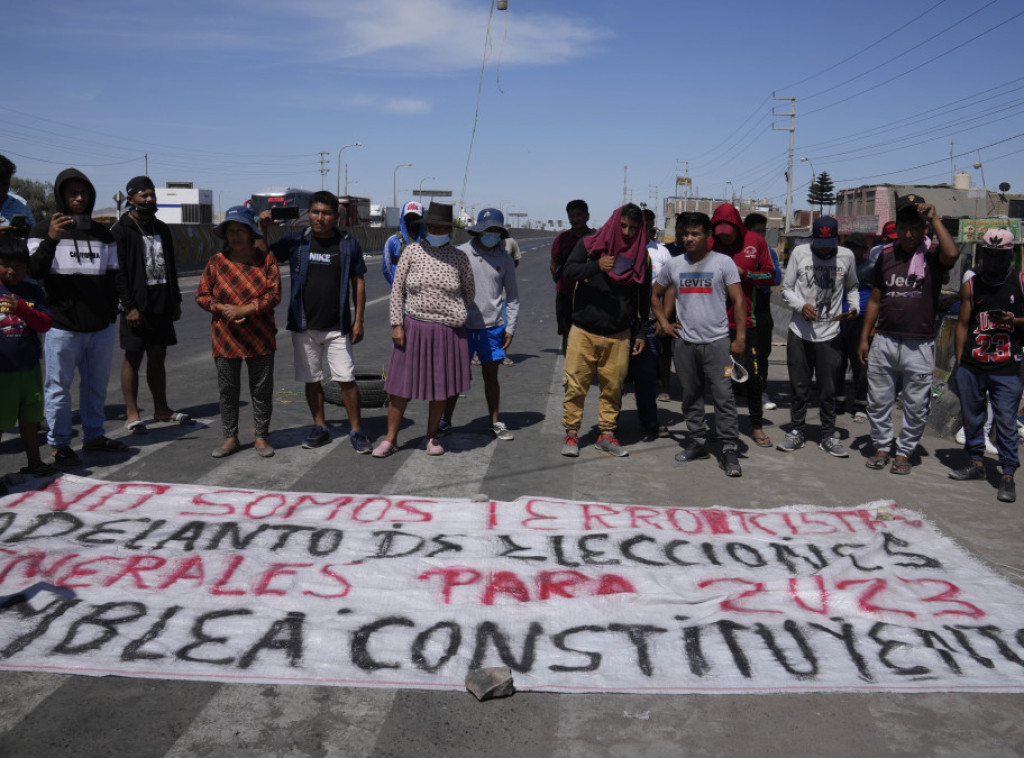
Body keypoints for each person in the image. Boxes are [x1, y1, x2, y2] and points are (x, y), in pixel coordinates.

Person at [28, 168, 125, 466]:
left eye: (83, 193)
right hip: (62, 326)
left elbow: (113, 278)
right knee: (58, 387)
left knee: (96, 385)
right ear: (61, 196)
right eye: (72, 193)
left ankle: (94, 435)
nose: (79, 198)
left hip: (100, 325)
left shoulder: (102, 234)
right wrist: (52, 239)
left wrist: (111, 313)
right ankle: (58, 444)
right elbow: (34, 272)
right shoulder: (43, 230)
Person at [261, 191, 371, 454]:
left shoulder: (348, 244)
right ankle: (320, 427)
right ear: (308, 213)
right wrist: (261, 229)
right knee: (312, 379)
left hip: (338, 326)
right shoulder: (295, 241)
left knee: (346, 379)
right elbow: (263, 258)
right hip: (304, 325)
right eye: (315, 212)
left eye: (326, 213)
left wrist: (359, 321)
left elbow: (359, 282)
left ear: (337, 216)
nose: (320, 218)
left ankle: (356, 430)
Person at [858, 194, 960, 474]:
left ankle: (904, 452)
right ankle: (881, 445)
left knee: (916, 405)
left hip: (920, 343)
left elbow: (952, 254)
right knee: (878, 400)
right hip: (886, 339)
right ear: (897, 227)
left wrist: (935, 217)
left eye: (915, 228)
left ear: (924, 229)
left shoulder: (933, 256)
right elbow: (876, 299)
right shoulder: (886, 256)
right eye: (903, 227)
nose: (908, 233)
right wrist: (865, 336)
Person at [373, 202, 474, 458]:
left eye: (442, 227)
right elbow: (397, 290)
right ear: (425, 227)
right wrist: (397, 324)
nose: (437, 230)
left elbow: (469, 294)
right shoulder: (412, 252)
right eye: (433, 226)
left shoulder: (460, 258)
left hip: (448, 331)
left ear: (450, 231)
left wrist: (448, 309)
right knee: (400, 387)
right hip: (413, 327)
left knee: (440, 388)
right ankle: (391, 439)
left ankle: (432, 437)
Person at [651, 212, 746, 476]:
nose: (689, 238)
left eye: (695, 234)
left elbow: (739, 301)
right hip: (685, 343)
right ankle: (698, 442)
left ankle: (729, 448)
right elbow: (655, 295)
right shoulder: (674, 264)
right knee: (690, 394)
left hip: (718, 344)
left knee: (723, 396)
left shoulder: (723, 262)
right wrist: (665, 323)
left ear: (708, 236)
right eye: (685, 234)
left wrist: (739, 339)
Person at [560, 204, 649, 458]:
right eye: (623, 225)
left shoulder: (641, 255)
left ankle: (607, 435)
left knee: (613, 388)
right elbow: (567, 272)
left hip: (619, 334)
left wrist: (641, 332)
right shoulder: (590, 245)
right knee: (576, 386)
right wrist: (596, 266)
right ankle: (571, 434)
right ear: (614, 221)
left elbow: (644, 295)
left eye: (633, 227)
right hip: (584, 330)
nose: (628, 232)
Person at [196, 206, 281, 459]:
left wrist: (248, 309)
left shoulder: (266, 260)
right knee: (228, 390)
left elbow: (274, 294)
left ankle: (261, 437)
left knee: (261, 390)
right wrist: (222, 308)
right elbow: (201, 295)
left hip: (261, 336)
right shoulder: (216, 262)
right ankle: (230, 437)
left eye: (239, 231)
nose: (234, 236)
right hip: (225, 337)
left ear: (251, 232)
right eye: (229, 231)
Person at [949, 228, 1022, 503]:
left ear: (1010, 256)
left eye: (999, 255)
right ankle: (976, 463)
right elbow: (963, 324)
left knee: (1005, 420)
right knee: (973, 418)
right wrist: (960, 362)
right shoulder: (972, 285)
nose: (993, 261)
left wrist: (1013, 322)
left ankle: (1007, 473)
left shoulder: (1020, 282)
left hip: (1006, 367)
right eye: (988, 255)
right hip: (973, 365)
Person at [112, 176, 189, 434]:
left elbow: (170, 265)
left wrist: (175, 298)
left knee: (158, 355)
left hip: (161, 304)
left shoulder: (161, 228)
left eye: (152, 195)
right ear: (131, 198)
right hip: (136, 306)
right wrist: (129, 306)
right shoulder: (121, 230)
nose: (149, 199)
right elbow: (119, 272)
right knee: (133, 357)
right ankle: (132, 413)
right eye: (143, 195)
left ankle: (162, 409)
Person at [777, 217, 860, 457]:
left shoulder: (846, 256)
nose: (825, 248)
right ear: (813, 238)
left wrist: (853, 309)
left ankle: (828, 435)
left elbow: (853, 287)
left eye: (830, 242)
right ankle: (796, 431)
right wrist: (801, 305)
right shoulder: (800, 254)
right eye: (821, 242)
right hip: (800, 333)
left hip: (830, 333)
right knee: (799, 387)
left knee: (829, 389)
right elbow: (786, 289)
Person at [444, 207, 520, 440]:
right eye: (488, 230)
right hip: (462, 326)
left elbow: (513, 296)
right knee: (456, 377)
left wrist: (510, 327)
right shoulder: (460, 253)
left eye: (496, 230)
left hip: (493, 326)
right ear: (478, 230)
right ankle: (445, 420)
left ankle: (495, 421)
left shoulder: (505, 259)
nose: (492, 234)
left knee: (491, 376)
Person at [709, 203, 776, 448]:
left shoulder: (756, 242)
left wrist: (745, 273)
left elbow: (771, 276)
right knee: (723, 378)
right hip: (716, 326)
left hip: (748, 324)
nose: (724, 238)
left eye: (729, 233)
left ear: (738, 226)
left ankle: (756, 425)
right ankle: (724, 425)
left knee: (754, 378)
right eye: (720, 234)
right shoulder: (709, 243)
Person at [0, 235, 55, 491]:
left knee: (30, 417)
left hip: (29, 367)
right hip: (3, 372)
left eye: (18, 266)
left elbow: (45, 323)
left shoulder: (32, 291)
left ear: (27, 267)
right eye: (5, 264)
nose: (11, 271)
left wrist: (21, 309)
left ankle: (34, 461)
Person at [631, 208, 670, 439]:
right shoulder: (621, 251)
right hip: (624, 325)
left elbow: (669, 287)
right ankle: (609, 426)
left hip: (649, 322)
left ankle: (649, 422)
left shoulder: (661, 253)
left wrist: (662, 319)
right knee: (615, 379)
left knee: (647, 376)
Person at [743, 212, 783, 411]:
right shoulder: (740, 250)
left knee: (762, 353)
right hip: (740, 307)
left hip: (761, 309)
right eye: (756, 230)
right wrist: (760, 277)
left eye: (763, 230)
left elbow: (775, 278)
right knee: (732, 352)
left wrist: (750, 276)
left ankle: (761, 390)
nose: (760, 234)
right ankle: (733, 388)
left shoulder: (770, 252)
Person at [835, 232, 873, 422]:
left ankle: (860, 404)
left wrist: (874, 325)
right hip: (839, 319)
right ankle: (839, 400)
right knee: (837, 363)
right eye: (848, 246)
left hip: (862, 320)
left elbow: (878, 297)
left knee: (860, 364)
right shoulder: (838, 265)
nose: (850, 250)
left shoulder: (872, 268)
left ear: (864, 250)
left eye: (855, 247)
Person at [550, 200, 594, 355]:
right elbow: (554, 264)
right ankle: (569, 371)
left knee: (589, 334)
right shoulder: (561, 239)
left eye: (579, 215)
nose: (575, 219)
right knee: (567, 333)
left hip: (590, 295)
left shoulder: (595, 238)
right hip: (565, 294)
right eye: (571, 216)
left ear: (587, 216)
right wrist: (562, 282)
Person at [381, 201, 424, 287]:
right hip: (400, 295)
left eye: (416, 218)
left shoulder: (427, 242)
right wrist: (397, 285)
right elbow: (386, 268)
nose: (412, 221)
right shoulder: (393, 241)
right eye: (409, 218)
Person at [0, 155, 34, 237]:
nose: (4, 189)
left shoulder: (21, 203)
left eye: (6, 184)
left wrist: (28, 231)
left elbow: (35, 236)